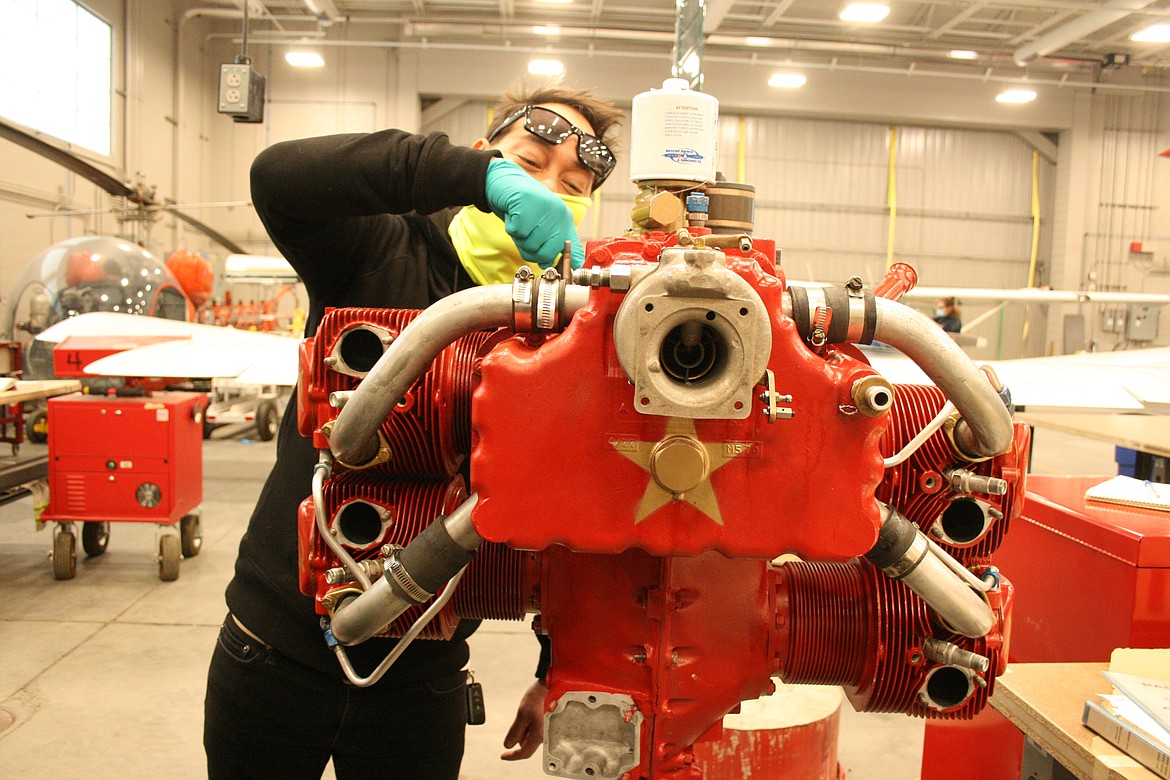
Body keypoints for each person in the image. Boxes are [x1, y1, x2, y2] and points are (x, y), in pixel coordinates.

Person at [203, 84, 624, 779]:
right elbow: (277, 177)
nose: (548, 187)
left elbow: (572, 520)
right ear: (484, 159)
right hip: (273, 649)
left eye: (572, 185)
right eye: (527, 162)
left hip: (420, 672)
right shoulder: (376, 251)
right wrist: (476, 179)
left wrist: (561, 669)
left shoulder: (563, 337)